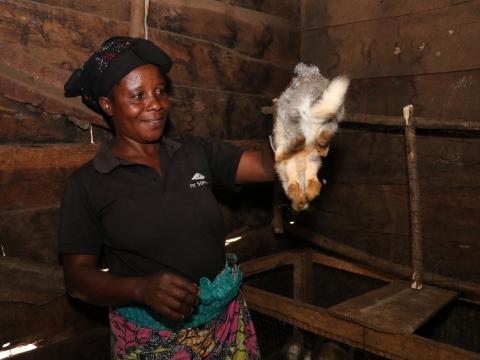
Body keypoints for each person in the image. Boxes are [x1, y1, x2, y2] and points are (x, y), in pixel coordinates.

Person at [59, 36, 275, 359]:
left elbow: (264, 167)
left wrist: (294, 138)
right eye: (138, 96)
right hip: (151, 341)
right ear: (107, 105)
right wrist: (141, 289)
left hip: (226, 328)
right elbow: (77, 279)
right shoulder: (89, 184)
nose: (155, 104)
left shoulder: (195, 153)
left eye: (160, 92)